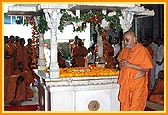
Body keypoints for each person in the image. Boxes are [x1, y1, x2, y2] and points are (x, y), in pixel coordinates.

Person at [117, 31, 153, 111]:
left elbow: (146, 68)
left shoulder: (142, 51)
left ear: (134, 39)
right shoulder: (124, 51)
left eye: (127, 40)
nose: (125, 43)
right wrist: (121, 64)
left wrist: (129, 65)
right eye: (124, 40)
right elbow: (120, 66)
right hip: (126, 83)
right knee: (124, 105)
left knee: (135, 106)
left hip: (137, 83)